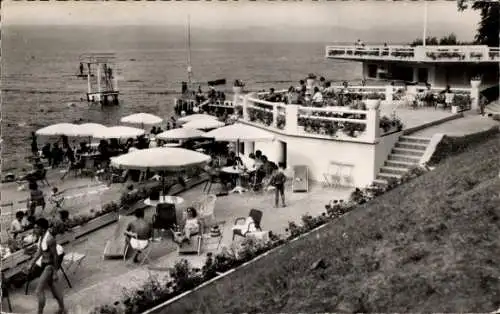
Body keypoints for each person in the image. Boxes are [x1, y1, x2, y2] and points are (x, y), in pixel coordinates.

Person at [28, 218, 67, 314]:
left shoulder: (50, 239)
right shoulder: (42, 237)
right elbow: (40, 252)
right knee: (54, 290)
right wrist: (31, 263)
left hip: (49, 267)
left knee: (38, 290)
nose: (35, 230)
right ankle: (62, 308)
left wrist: (54, 272)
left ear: (42, 228)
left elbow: (55, 256)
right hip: (44, 264)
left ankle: (39, 312)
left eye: (36, 228)